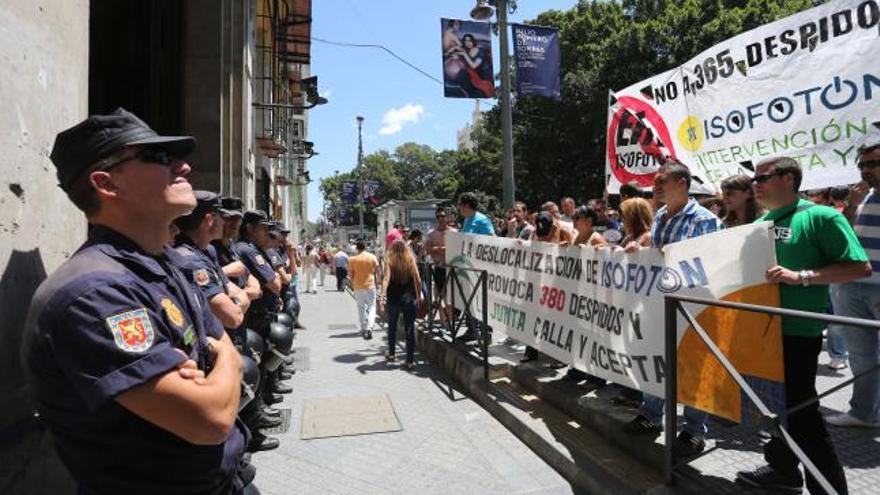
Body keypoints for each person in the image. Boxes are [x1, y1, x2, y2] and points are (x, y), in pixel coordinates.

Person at [23, 109, 248, 493]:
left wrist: (213, 372)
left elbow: (219, 335)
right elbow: (209, 419)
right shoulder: (94, 293)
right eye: (159, 157)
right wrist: (230, 363)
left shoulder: (163, 262)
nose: (185, 167)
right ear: (106, 183)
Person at [736, 157, 870, 494]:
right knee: (776, 409)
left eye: (763, 177)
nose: (756, 183)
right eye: (755, 178)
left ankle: (829, 488)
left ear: (789, 178)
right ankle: (784, 470)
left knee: (803, 415)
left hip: (798, 332)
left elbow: (859, 268)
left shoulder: (822, 217)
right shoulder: (763, 220)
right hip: (763, 330)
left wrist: (804, 277)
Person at [624, 160, 723, 459]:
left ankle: (694, 431)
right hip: (660, 303)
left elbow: (711, 260)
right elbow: (655, 250)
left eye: (662, 181)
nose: (655, 187)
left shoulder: (704, 219)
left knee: (696, 366)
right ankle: (651, 414)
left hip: (695, 307)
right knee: (656, 355)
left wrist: (676, 254)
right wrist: (638, 250)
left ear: (682, 183)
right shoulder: (662, 216)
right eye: (656, 181)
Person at [826, 138, 880, 428]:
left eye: (874, 164)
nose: (866, 170)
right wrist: (851, 206)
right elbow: (843, 236)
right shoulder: (861, 198)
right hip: (851, 285)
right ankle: (863, 413)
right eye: (863, 165)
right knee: (860, 355)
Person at [379, 239, 424, 370]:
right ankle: (409, 361)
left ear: (391, 250)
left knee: (392, 327)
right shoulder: (410, 260)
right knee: (409, 329)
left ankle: (392, 354)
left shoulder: (390, 260)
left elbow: (386, 279)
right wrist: (419, 296)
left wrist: (382, 297)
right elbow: (418, 280)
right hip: (409, 300)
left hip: (393, 300)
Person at [426, 207, 457, 321]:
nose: (440, 218)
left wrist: (438, 249)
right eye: (438, 216)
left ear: (447, 217)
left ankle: (451, 321)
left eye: (442, 216)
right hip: (438, 267)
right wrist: (440, 248)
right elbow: (427, 249)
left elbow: (456, 249)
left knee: (451, 296)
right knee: (439, 295)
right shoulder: (431, 233)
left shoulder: (453, 232)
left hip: (452, 268)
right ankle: (444, 320)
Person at [348, 238, 380, 340]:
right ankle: (370, 327)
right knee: (372, 307)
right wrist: (378, 282)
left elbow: (351, 274)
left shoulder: (352, 259)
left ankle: (362, 328)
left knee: (360, 307)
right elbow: (378, 271)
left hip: (358, 286)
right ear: (366, 246)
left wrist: (353, 285)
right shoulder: (372, 257)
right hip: (370, 285)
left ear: (356, 248)